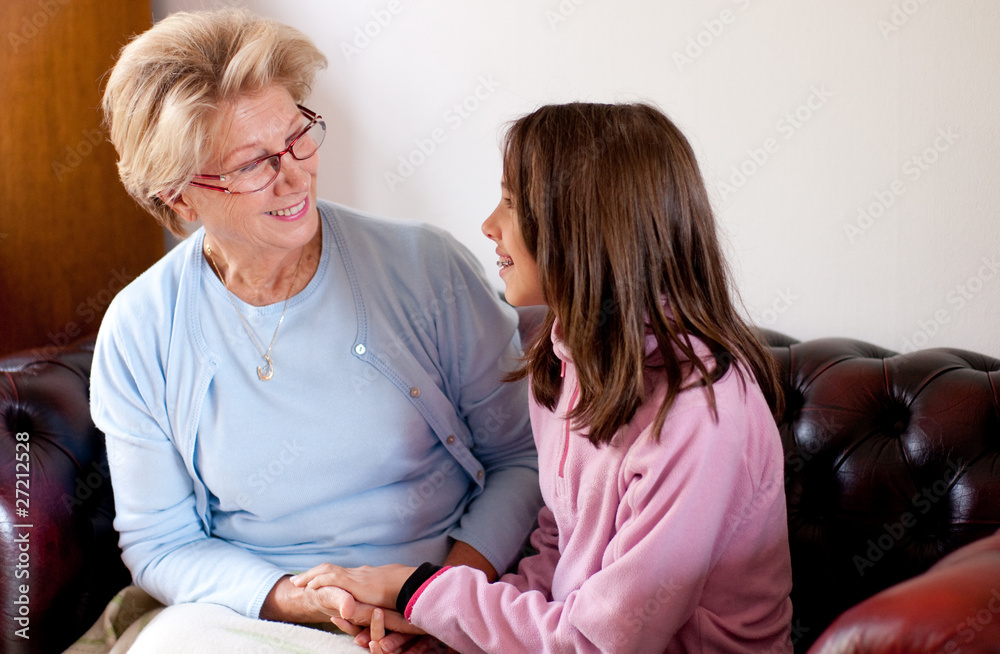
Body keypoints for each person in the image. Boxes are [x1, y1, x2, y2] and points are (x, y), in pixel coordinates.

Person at [89, 8, 542, 652]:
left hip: (449, 596)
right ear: (181, 197)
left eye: (298, 135)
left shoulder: (426, 268)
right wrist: (301, 599)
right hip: (259, 619)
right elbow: (161, 543)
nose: (296, 174)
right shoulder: (140, 330)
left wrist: (438, 599)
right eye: (253, 164)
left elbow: (522, 457)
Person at [292, 102, 795, 653]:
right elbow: (561, 554)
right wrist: (449, 633)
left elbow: (601, 643)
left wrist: (421, 591)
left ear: (584, 227)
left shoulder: (700, 414)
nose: (489, 225)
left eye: (512, 203)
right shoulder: (562, 359)